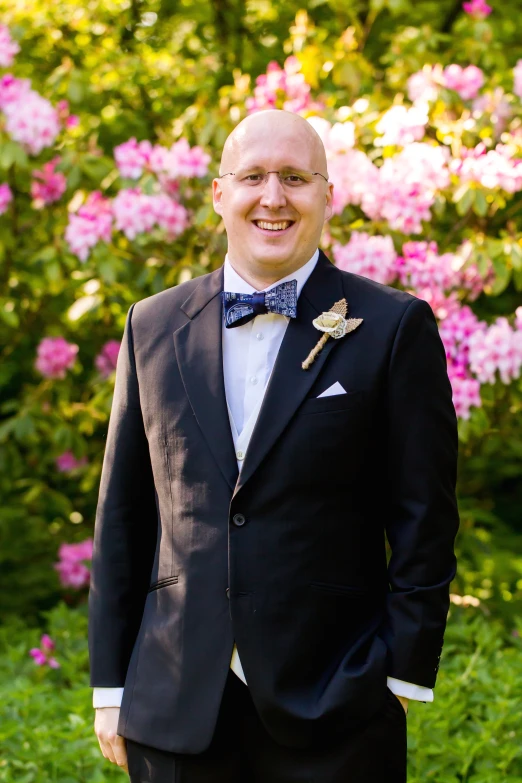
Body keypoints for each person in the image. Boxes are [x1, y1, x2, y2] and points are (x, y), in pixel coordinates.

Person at [89, 109, 459, 783]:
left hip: (336, 704)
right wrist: (110, 685)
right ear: (218, 194)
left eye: (295, 177)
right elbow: (124, 516)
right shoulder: (152, 324)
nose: (273, 196)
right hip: (172, 706)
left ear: (326, 195)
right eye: (254, 176)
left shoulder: (392, 327)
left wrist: (401, 672)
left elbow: (423, 517)